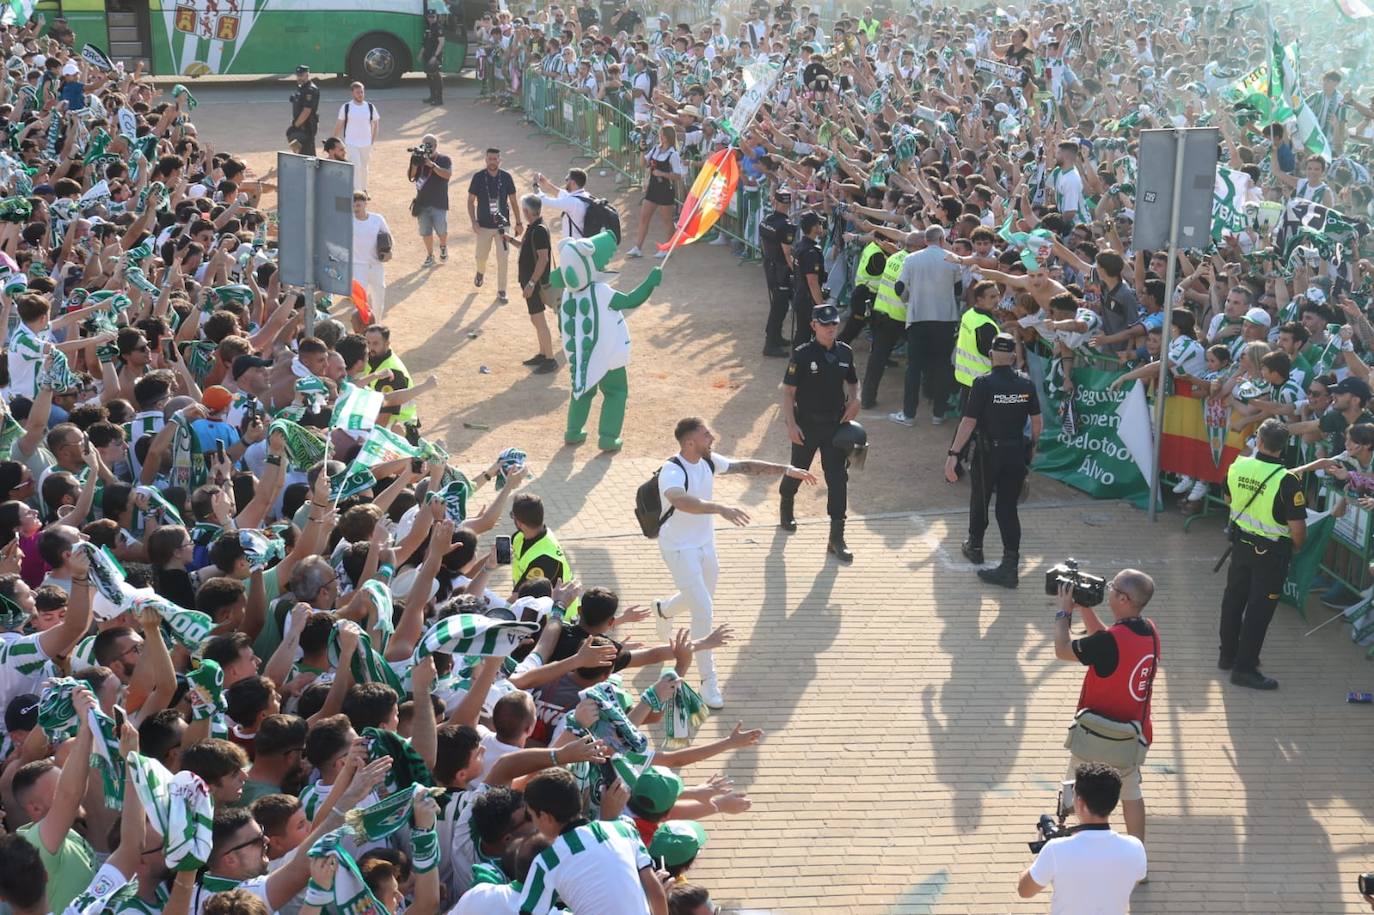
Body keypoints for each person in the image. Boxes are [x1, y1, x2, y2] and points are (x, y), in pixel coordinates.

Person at [652, 417, 815, 707]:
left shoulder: (708, 460)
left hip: (704, 545)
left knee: (701, 599)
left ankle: (664, 609)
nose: (711, 437)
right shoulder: (671, 471)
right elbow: (680, 501)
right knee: (703, 609)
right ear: (690, 443)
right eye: (705, 435)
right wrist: (719, 508)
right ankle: (708, 682)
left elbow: (744, 466)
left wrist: (787, 469)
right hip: (679, 549)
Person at [1053, 567, 1159, 842]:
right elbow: (1107, 640)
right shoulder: (1149, 631)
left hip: (1097, 736)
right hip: (1129, 737)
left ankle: (1073, 845)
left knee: (1074, 788)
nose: (1108, 590)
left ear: (1123, 599)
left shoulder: (1109, 642)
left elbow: (1062, 650)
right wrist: (1086, 608)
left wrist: (1064, 612)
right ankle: (1139, 859)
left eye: (1113, 587)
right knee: (1131, 794)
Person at [944, 333, 1042, 587]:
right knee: (1008, 509)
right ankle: (1010, 565)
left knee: (980, 498)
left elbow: (968, 422)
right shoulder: (1026, 384)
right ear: (1013, 356)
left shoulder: (983, 384)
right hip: (1015, 452)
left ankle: (975, 546)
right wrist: (1032, 446)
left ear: (990, 355)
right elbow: (1037, 421)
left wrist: (954, 454)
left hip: (989, 453)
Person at [1220, 417, 1308, 691]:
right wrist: (1296, 547)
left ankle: (1227, 656)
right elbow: (1297, 528)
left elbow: (1228, 499)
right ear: (1284, 447)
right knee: (1259, 611)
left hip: (1241, 545)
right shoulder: (1287, 481)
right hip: (1271, 554)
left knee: (1233, 600)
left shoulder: (1239, 464)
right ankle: (1244, 669)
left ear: (1258, 440)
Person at [779, 304, 860, 562]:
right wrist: (791, 425)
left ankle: (836, 538)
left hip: (835, 427)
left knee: (838, 480)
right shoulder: (802, 355)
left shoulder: (845, 352)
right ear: (814, 325)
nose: (831, 328)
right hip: (807, 425)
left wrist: (855, 399)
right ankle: (786, 503)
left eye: (834, 324)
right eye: (825, 325)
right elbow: (788, 393)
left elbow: (853, 380)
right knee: (798, 470)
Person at [1017, 763, 1148, 910]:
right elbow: (1137, 878)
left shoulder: (1055, 849)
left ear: (1080, 802)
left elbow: (1024, 890)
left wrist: (1042, 854)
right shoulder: (1135, 847)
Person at [890, 226, 961, 427]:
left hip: (918, 318)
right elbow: (958, 290)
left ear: (925, 240)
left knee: (914, 367)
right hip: (945, 320)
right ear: (942, 239)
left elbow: (899, 288)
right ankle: (938, 414)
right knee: (942, 366)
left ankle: (909, 414)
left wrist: (908, 301)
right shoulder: (952, 259)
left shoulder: (911, 259)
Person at [512, 194, 559, 373]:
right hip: (532, 283)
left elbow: (543, 258)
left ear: (526, 211)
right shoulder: (535, 227)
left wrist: (531, 283)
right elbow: (524, 247)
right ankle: (543, 353)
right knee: (535, 318)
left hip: (535, 284)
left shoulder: (538, 230)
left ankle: (550, 359)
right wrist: (508, 239)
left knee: (539, 320)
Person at [467, 147, 519, 296]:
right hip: (483, 225)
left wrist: (519, 222)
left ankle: (502, 290)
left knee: (503, 258)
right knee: (480, 256)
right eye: (490, 158)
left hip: (502, 226)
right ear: (485, 160)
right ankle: (480, 272)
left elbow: (514, 201)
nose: (492, 161)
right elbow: (470, 201)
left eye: (495, 159)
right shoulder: (478, 177)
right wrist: (474, 222)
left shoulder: (507, 177)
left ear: (500, 161)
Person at [626, 125, 684, 258]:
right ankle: (638, 247)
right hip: (653, 188)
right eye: (660, 134)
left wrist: (663, 174)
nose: (660, 137)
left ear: (668, 136)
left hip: (665, 190)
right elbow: (643, 164)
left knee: (667, 221)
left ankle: (667, 248)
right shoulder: (656, 149)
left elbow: (678, 175)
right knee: (644, 217)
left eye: (662, 135)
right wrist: (641, 150)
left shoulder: (673, 154)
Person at [758, 189, 796, 357]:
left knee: (777, 303)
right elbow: (787, 253)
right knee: (779, 306)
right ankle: (770, 343)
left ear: (775, 201)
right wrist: (796, 270)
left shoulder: (766, 219)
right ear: (789, 204)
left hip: (769, 264)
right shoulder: (786, 225)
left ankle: (776, 337)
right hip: (781, 268)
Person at [409, 133, 454, 269]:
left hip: (439, 202)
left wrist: (431, 165)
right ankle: (430, 255)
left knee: (441, 229)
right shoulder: (417, 157)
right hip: (422, 202)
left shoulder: (444, 159)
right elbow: (411, 176)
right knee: (425, 231)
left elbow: (447, 175)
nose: (427, 148)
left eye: (430, 145)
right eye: (425, 144)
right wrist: (416, 164)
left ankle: (443, 246)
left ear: (435, 146)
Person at [349, 192, 390, 321]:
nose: (356, 208)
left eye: (358, 205)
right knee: (360, 302)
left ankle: (377, 324)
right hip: (357, 266)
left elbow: (388, 237)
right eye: (353, 205)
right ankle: (363, 328)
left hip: (376, 265)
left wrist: (388, 253)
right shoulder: (348, 221)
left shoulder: (377, 219)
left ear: (365, 204)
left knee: (379, 299)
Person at [332, 81, 379, 192]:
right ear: (352, 93)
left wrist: (372, 141)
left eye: (362, 92)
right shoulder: (346, 107)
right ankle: (357, 192)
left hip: (366, 144)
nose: (360, 94)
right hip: (351, 143)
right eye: (357, 92)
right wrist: (334, 141)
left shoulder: (370, 107)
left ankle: (364, 189)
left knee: (364, 167)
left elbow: (376, 124)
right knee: (356, 166)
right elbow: (339, 124)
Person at [789, 213, 827, 347]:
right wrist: (821, 305)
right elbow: (812, 282)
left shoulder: (800, 245)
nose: (821, 226)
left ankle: (798, 363)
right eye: (819, 224)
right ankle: (798, 363)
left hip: (800, 295)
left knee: (803, 334)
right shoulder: (811, 252)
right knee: (805, 336)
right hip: (808, 300)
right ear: (814, 227)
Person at [534, 169, 592, 239]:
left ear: (573, 183)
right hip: (583, 241)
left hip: (573, 244)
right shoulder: (585, 196)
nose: (566, 182)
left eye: (567, 179)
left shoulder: (572, 202)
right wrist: (545, 183)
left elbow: (545, 201)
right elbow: (559, 193)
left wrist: (535, 185)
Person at [287, 65, 319, 156]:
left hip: (307, 125)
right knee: (292, 135)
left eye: (301, 75)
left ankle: (310, 165)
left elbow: (307, 111)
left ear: (307, 75)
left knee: (308, 151)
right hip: (300, 123)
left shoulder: (310, 90)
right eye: (298, 75)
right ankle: (299, 156)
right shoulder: (302, 87)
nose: (299, 77)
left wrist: (296, 125)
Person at [421, 6, 447, 105]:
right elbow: (425, 43)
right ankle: (432, 96)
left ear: (436, 17)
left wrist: (435, 56)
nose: (431, 18)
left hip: (435, 56)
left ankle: (439, 99)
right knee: (429, 76)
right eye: (429, 16)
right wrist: (421, 54)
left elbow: (441, 43)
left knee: (436, 76)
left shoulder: (438, 28)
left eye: (433, 16)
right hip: (427, 56)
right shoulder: (428, 28)